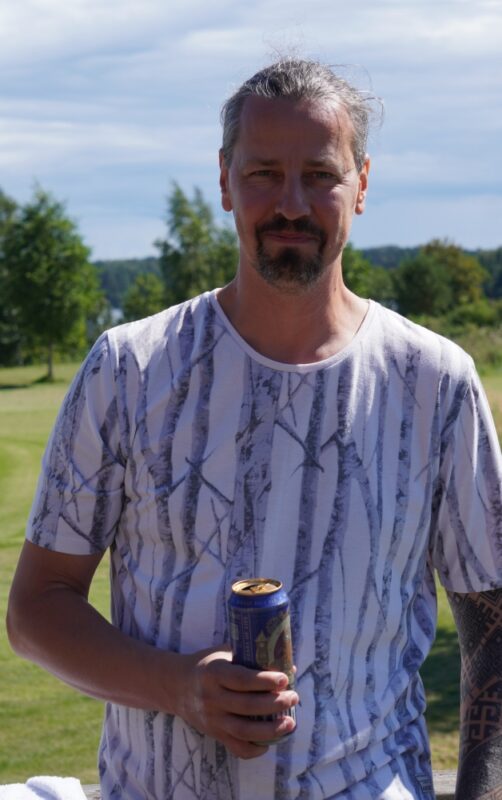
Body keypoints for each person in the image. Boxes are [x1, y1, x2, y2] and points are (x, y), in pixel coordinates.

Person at [6, 58, 502, 800]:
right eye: (264, 173)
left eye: (321, 175)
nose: (291, 203)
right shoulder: (129, 369)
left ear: (362, 184)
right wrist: (178, 686)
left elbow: (493, 628)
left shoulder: (434, 382)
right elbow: (37, 609)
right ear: (224, 180)